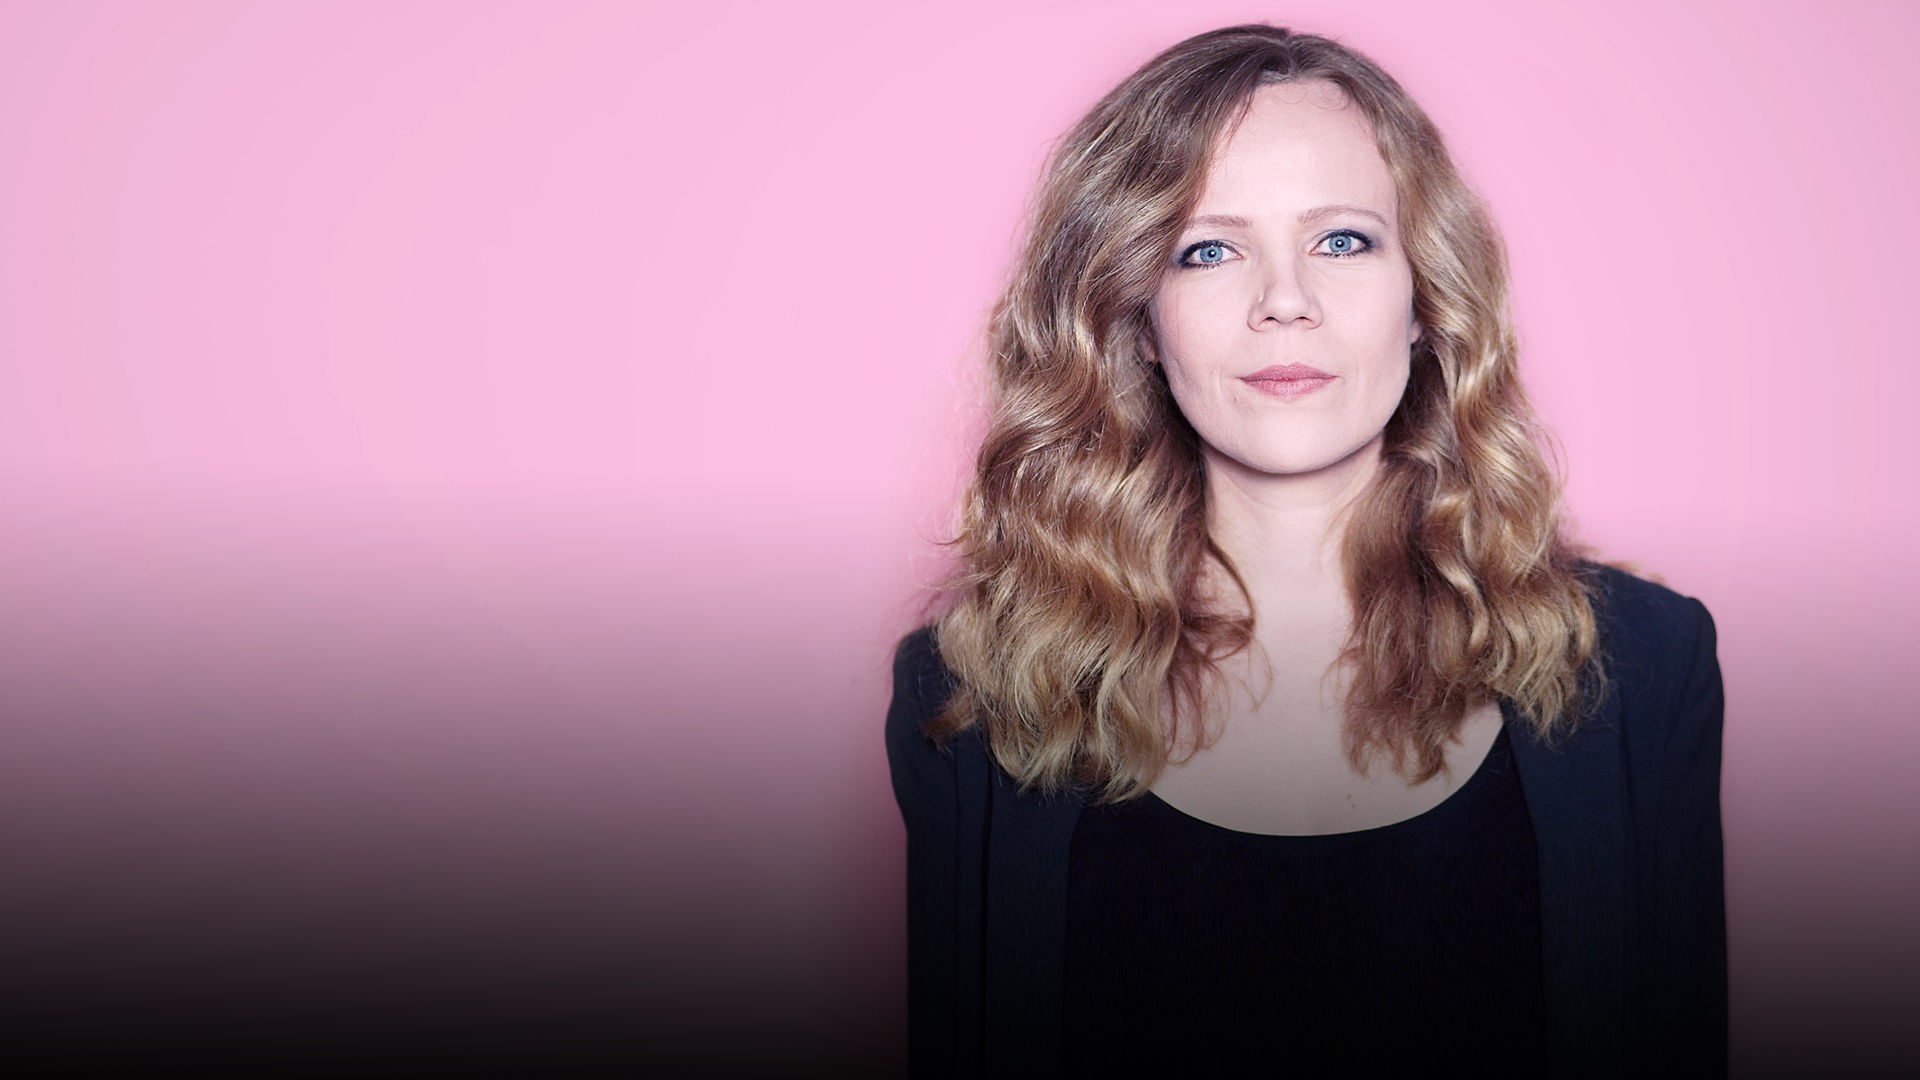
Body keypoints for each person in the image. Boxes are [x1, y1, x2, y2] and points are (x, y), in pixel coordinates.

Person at [886, 24, 1724, 1078]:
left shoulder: (1649, 669)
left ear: (1424, 299)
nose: (1285, 299)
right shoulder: (968, 698)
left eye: (1342, 241)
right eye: (1208, 250)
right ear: (1138, 322)